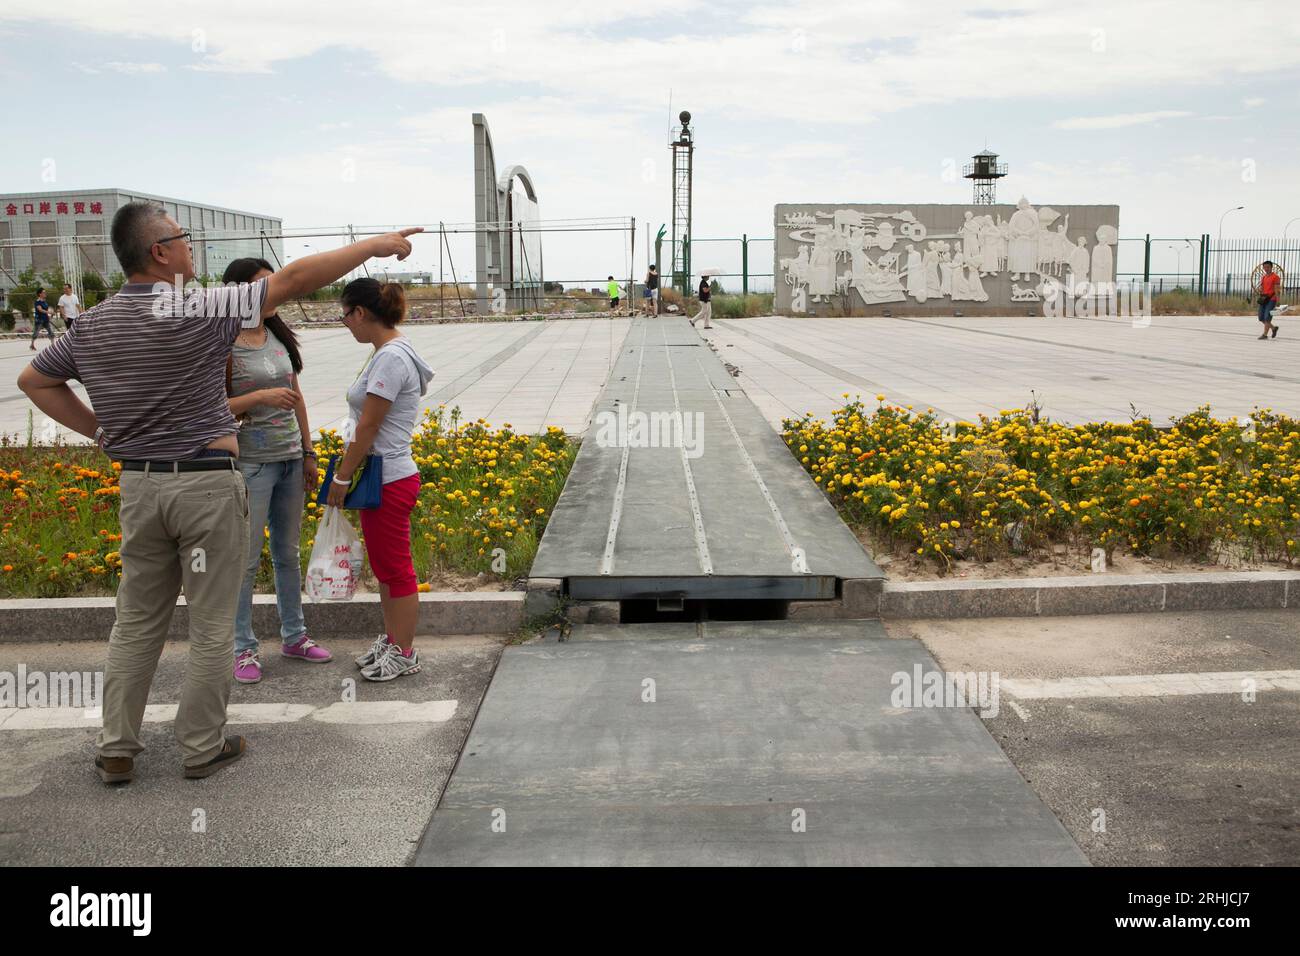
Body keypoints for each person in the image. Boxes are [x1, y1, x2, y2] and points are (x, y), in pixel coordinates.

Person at [17, 200, 420, 784]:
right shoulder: (200, 306)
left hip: (140, 485)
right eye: (182, 239)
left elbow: (35, 379)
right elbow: (295, 278)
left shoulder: (95, 323)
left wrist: (101, 432)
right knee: (209, 622)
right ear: (159, 251)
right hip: (205, 484)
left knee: (135, 621)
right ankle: (201, 746)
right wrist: (373, 246)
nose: (191, 249)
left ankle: (117, 747)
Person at [223, 257, 327, 685]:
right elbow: (212, 408)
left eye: (278, 282)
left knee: (287, 554)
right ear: (238, 290)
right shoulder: (221, 342)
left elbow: (297, 397)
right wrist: (259, 396)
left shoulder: (277, 335)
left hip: (288, 459)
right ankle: (243, 649)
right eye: (267, 285)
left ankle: (294, 636)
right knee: (244, 561)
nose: (277, 290)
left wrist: (308, 450)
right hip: (249, 464)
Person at [329, 278, 434, 682]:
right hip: (384, 477)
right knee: (386, 568)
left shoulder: (391, 357)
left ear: (360, 313)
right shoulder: (387, 352)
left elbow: (369, 425)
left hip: (388, 477)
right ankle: (394, 641)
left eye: (345, 316)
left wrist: (341, 477)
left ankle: (405, 652)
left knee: (396, 570)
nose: (346, 324)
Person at [1257, 260, 1281, 339]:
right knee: (1261, 317)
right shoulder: (1264, 277)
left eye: (1268, 267)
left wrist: (1278, 300)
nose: (1266, 269)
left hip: (1272, 299)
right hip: (1264, 299)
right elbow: (1263, 288)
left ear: (1271, 267)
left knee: (1267, 317)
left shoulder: (1275, 277)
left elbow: (1277, 289)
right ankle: (1273, 328)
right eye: (1265, 267)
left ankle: (1264, 335)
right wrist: (1260, 290)